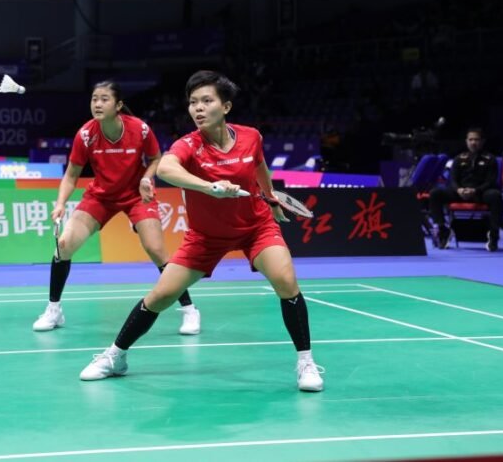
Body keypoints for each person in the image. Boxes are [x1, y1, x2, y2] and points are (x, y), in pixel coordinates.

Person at [79, 70, 324, 392]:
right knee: (161, 296)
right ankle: (115, 356)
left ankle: (306, 362)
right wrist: (209, 187)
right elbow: (167, 168)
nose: (198, 108)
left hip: (255, 227)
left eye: (207, 101)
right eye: (193, 102)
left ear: (226, 106)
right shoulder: (188, 145)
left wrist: (270, 198)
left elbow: (259, 166)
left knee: (286, 280)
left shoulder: (251, 136)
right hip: (206, 236)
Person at [32, 80, 200, 334]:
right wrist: (60, 203)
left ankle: (189, 309)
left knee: (156, 250)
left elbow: (156, 158)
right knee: (64, 245)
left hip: (136, 195)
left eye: (104, 99)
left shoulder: (139, 129)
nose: (97, 104)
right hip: (100, 197)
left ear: (118, 105)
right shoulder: (85, 135)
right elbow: (71, 174)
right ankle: (54, 310)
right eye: (94, 99)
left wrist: (147, 178)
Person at [429, 128, 503, 251]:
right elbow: (452, 179)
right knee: (435, 193)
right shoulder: (459, 158)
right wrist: (459, 190)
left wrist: (475, 190)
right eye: (470, 139)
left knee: (495, 195)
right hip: (460, 193)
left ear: (482, 141)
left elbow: (490, 181)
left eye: (476, 140)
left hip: (480, 193)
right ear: (466, 141)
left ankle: (493, 235)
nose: (473, 142)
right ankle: (443, 230)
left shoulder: (490, 159)